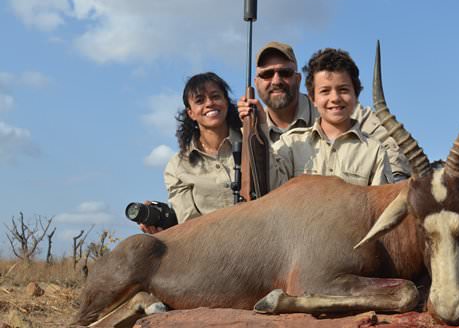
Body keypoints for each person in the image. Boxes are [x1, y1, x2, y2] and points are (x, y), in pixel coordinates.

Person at [240, 41, 410, 181]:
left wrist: (398, 182)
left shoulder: (374, 150)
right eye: (267, 74)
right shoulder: (290, 144)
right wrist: (258, 127)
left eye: (285, 72)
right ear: (313, 98)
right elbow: (270, 185)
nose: (335, 98)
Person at [140, 72, 242, 233]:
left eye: (216, 96)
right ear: (190, 113)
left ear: (226, 103)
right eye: (200, 100)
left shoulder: (254, 142)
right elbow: (189, 223)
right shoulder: (177, 166)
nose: (209, 104)